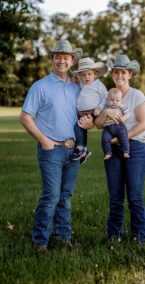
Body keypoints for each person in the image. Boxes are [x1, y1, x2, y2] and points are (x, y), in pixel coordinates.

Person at [20, 40, 92, 252]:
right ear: (52, 60)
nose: (61, 60)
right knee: (51, 196)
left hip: (74, 149)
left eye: (66, 57)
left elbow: (87, 114)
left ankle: (62, 236)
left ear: (72, 61)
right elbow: (25, 117)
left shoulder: (78, 87)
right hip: (51, 149)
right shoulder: (40, 86)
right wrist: (43, 140)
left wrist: (90, 123)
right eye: (57, 56)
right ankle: (40, 240)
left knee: (65, 196)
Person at [95, 54, 145, 243]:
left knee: (134, 195)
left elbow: (144, 123)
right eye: (116, 72)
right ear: (113, 75)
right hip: (113, 149)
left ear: (130, 75)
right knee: (116, 195)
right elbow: (98, 125)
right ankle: (114, 235)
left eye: (123, 72)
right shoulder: (108, 96)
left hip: (135, 147)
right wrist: (105, 112)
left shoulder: (137, 95)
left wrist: (122, 138)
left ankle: (139, 236)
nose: (119, 75)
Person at [70, 57, 108, 163]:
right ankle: (85, 150)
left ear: (95, 74)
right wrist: (75, 81)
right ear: (80, 76)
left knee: (77, 126)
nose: (87, 77)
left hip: (91, 112)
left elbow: (105, 97)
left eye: (89, 74)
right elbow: (77, 86)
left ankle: (80, 148)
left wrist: (100, 107)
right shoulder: (82, 83)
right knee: (82, 131)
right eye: (83, 75)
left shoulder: (98, 85)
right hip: (81, 113)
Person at [102, 87, 130, 160]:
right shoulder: (105, 107)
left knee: (123, 137)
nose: (114, 102)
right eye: (112, 100)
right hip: (107, 128)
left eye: (117, 100)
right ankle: (107, 153)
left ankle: (126, 151)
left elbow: (128, 113)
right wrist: (98, 111)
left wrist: (124, 117)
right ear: (107, 100)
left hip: (119, 126)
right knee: (105, 138)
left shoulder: (121, 106)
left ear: (121, 100)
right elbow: (101, 114)